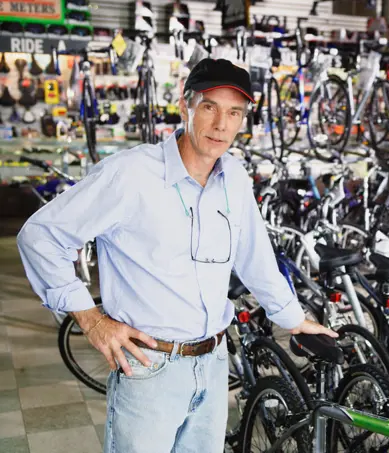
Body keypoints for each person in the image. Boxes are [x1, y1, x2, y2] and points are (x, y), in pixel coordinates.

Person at [17, 58, 337, 453]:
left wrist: (293, 318)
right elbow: (40, 235)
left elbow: (254, 255)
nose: (221, 123)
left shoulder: (233, 176)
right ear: (186, 106)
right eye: (210, 107)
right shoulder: (131, 174)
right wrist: (91, 318)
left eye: (234, 112)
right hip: (150, 369)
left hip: (214, 361)